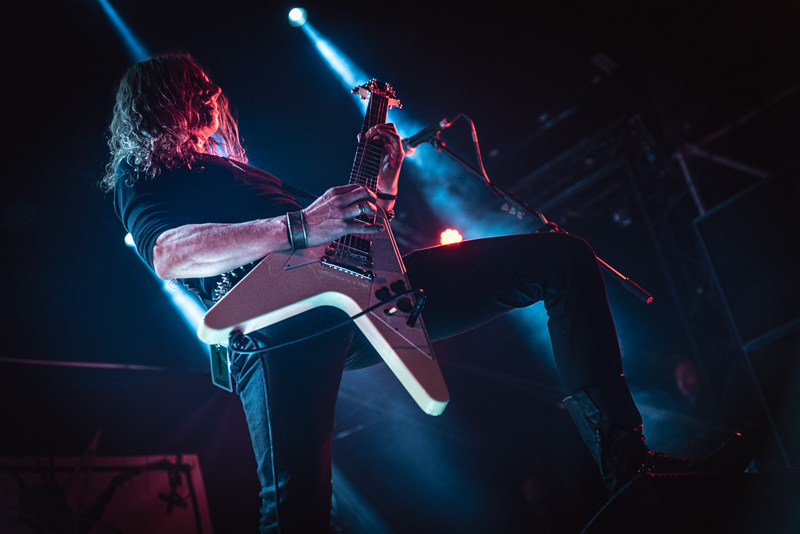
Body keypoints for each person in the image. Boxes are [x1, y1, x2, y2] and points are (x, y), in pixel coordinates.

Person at [105, 52, 750, 533]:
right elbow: (169, 254)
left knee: (563, 259)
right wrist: (303, 222)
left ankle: (627, 462)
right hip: (277, 334)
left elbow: (357, 233)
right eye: (196, 94)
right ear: (164, 102)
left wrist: (381, 184)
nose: (213, 103)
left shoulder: (237, 171)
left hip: (367, 293)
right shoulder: (148, 174)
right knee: (296, 511)